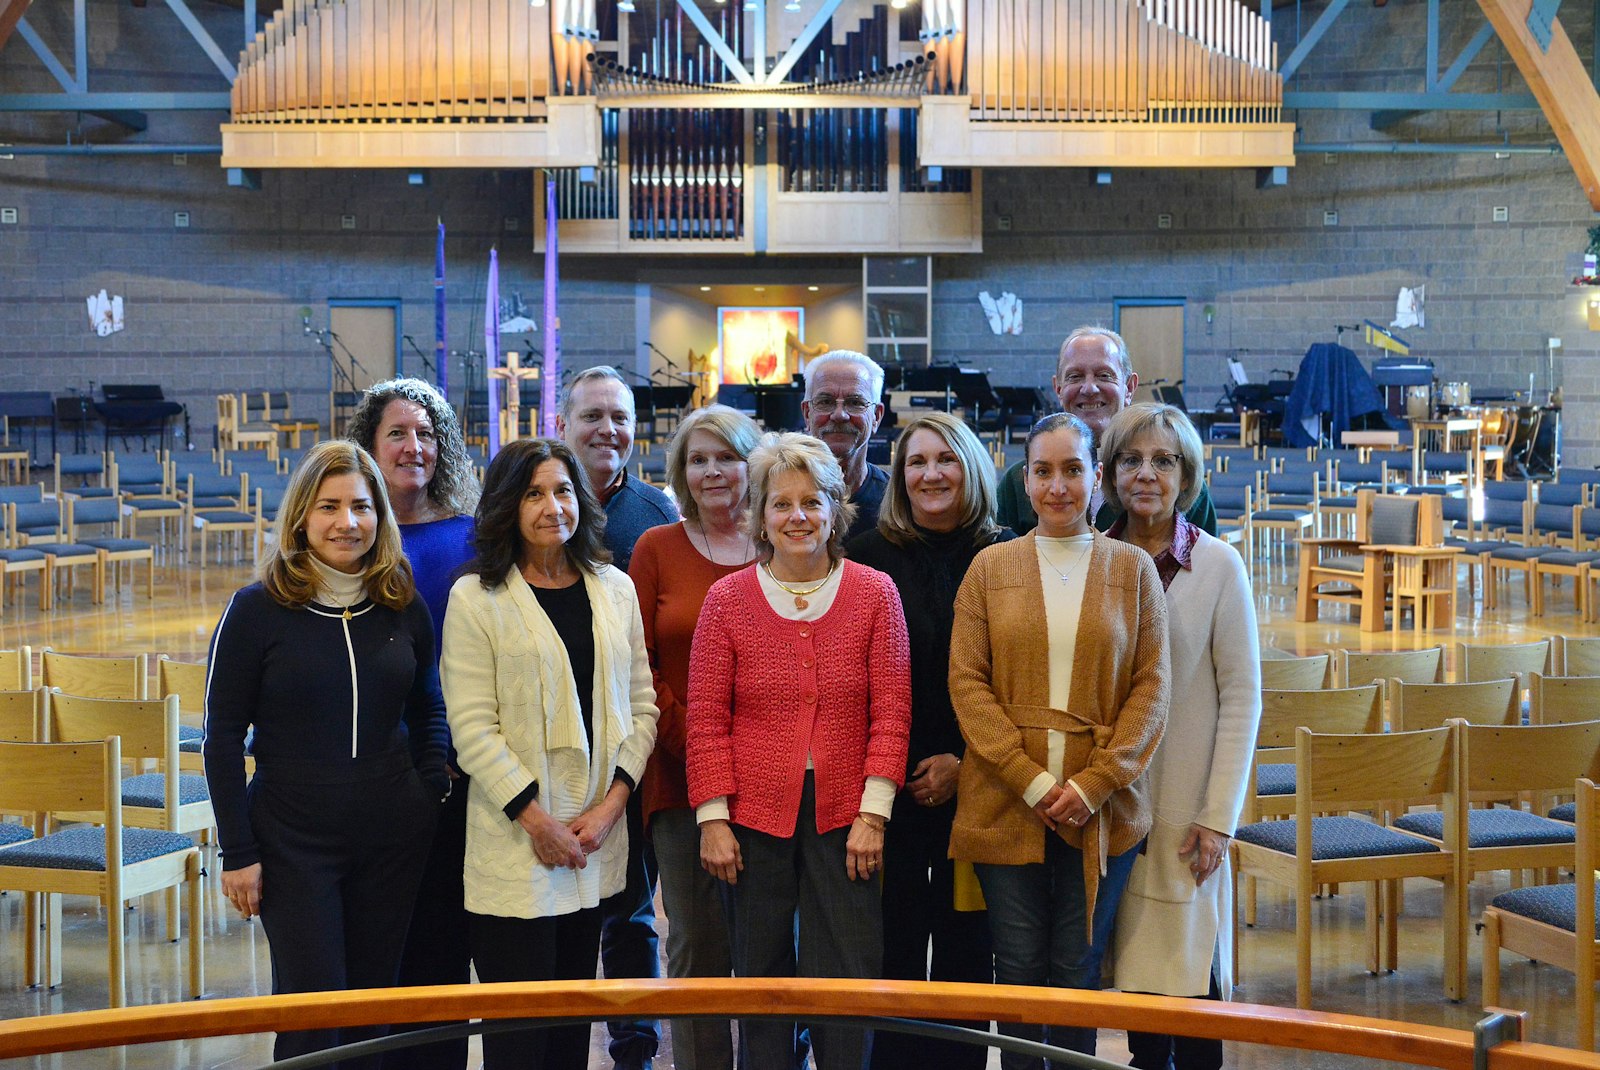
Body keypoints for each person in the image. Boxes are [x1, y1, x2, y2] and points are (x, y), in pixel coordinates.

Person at [204, 440, 449, 1066]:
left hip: (391, 836)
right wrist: (238, 852)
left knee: (372, 1012)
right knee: (313, 1015)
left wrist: (427, 789)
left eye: (362, 507)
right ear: (301, 518)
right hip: (292, 842)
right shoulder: (255, 611)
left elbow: (429, 706)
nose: (347, 522)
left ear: (380, 517)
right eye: (329, 507)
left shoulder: (402, 603)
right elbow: (223, 736)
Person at [949, 412, 1170, 1067]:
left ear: (1096, 479)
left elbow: (1152, 688)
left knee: (1077, 971)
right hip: (1006, 799)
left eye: (1073, 469)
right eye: (1043, 471)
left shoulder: (1132, 570)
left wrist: (1094, 783)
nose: (1057, 486)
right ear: (1025, 478)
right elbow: (967, 683)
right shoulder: (990, 568)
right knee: (1016, 970)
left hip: (1101, 810)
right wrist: (1035, 780)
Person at [687, 431, 912, 1070]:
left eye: (811, 502)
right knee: (760, 975)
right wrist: (713, 817)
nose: (797, 517)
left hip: (848, 815)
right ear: (759, 515)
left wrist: (874, 814)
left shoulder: (875, 593)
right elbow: (706, 716)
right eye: (780, 504)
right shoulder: (726, 601)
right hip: (752, 816)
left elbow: (891, 713)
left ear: (835, 509)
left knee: (846, 969)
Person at [441, 437, 659, 1070]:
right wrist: (538, 822)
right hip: (517, 844)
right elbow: (472, 727)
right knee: (519, 1044)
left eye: (563, 490)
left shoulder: (614, 588)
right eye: (533, 493)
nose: (550, 506)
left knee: (569, 1035)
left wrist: (612, 806)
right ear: (507, 505)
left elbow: (641, 706)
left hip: (591, 840)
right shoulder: (476, 598)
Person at [845, 412, 1010, 1070]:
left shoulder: (1009, 556)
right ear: (900, 475)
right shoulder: (865, 555)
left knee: (971, 956)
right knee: (895, 953)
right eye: (916, 461)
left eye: (946, 459)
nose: (931, 473)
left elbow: (1020, 686)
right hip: (890, 790)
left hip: (985, 787)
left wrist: (968, 765)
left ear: (969, 466)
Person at [1103, 404, 1261, 1070]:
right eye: (1132, 460)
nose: (1147, 474)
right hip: (1112, 808)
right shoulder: (1093, 561)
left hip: (1188, 808)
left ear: (1186, 474)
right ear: (1110, 473)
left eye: (1164, 460)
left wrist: (1218, 818)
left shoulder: (1220, 566)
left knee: (1195, 987)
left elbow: (1243, 699)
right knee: (1138, 997)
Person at [629, 404, 763, 1070]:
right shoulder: (656, 549)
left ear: (752, 464)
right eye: (697, 459)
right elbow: (640, 664)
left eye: (727, 456)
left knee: (773, 948)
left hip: (775, 782)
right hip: (681, 780)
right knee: (697, 948)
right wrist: (705, 750)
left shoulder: (784, 543)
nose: (712, 471)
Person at [556, 365, 675, 1069]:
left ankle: (636, 1046)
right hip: (552, 747)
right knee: (562, 907)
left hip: (632, 748)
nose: (607, 430)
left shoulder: (656, 517)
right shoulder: (530, 506)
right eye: (592, 416)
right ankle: (560, 1038)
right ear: (564, 425)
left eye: (619, 417)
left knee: (632, 908)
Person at [996, 327, 1217, 536]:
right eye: (1075, 376)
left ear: (1129, 387)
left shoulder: (1174, 479)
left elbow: (1204, 566)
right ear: (1058, 389)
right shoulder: (1018, 484)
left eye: (1104, 375)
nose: (1090, 388)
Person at [801, 350, 891, 541]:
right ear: (807, 413)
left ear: (876, 416)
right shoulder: (775, 496)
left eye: (855, 402)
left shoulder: (897, 503)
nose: (839, 415)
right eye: (825, 401)